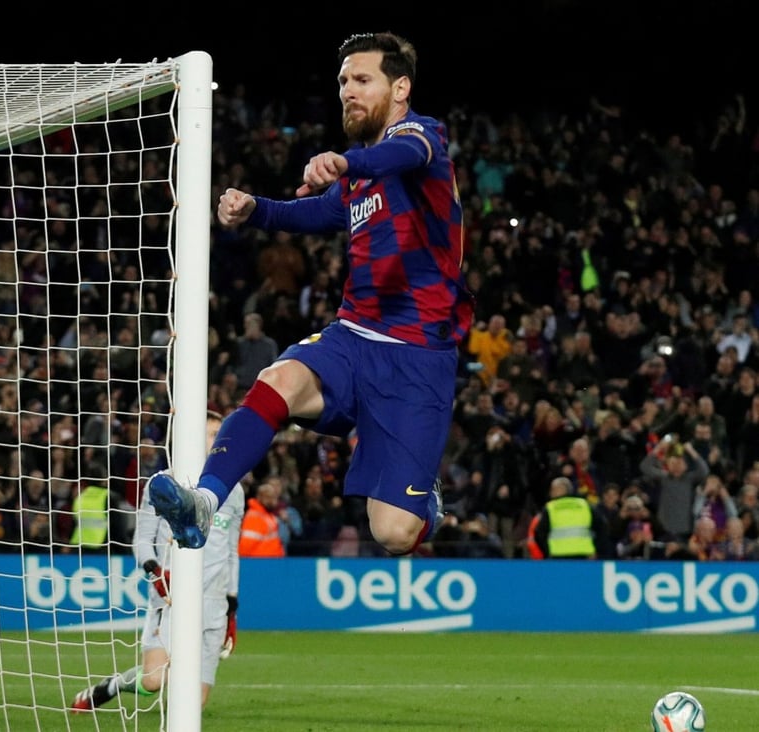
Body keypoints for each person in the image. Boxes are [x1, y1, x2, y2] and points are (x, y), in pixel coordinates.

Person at [148, 31, 473, 557]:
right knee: (279, 379)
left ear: (400, 87)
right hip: (352, 336)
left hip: (417, 358)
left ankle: (423, 503)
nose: (348, 90)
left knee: (393, 533)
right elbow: (320, 211)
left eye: (363, 79)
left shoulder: (422, 139)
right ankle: (204, 503)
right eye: (343, 80)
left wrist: (347, 162)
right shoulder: (360, 176)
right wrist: (258, 208)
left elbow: (404, 152)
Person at [71, 412, 245, 712]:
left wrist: (232, 607)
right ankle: (110, 687)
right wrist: (154, 570)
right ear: (189, 437)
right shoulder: (162, 483)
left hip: (214, 601)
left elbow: (231, 551)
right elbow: (142, 539)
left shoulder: (235, 490)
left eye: (221, 433)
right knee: (153, 681)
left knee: (196, 703)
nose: (218, 440)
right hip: (172, 595)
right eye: (210, 433)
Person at [530, 477, 604, 559]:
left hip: (558, 557)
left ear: (561, 489)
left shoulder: (551, 508)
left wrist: (547, 552)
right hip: (583, 557)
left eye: (553, 489)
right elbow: (603, 527)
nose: (550, 493)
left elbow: (539, 533)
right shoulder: (585, 505)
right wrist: (596, 549)